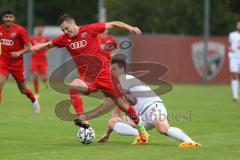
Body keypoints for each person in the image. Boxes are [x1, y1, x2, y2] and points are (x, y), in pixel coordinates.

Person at [30, 13, 149, 142]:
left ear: (73, 22)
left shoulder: (89, 29)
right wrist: (37, 47)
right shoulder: (65, 39)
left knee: (124, 107)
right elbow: (50, 44)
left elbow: (113, 24)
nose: (65, 31)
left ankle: (141, 130)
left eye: (66, 28)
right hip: (87, 79)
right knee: (74, 85)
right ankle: (83, 120)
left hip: (105, 75)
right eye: (62, 30)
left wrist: (130, 28)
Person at [97, 58, 201, 148]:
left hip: (153, 107)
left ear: (122, 69)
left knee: (162, 128)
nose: (110, 71)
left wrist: (116, 110)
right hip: (141, 118)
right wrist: (107, 134)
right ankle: (141, 134)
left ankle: (190, 142)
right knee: (112, 122)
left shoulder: (126, 79)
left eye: (113, 69)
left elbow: (120, 98)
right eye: (110, 69)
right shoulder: (119, 83)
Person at [0, 9, 40, 113]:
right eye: (6, 17)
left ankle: (34, 99)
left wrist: (19, 53)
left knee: (23, 90)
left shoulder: (20, 30)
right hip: (3, 63)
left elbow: (29, 47)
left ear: (13, 18)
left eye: (10, 17)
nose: (8, 19)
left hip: (17, 64)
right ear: (3, 18)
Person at [30, 24, 52, 96]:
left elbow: (51, 46)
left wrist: (48, 53)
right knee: (35, 75)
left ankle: (45, 82)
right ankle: (36, 92)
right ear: (36, 29)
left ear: (42, 30)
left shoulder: (46, 38)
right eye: (38, 28)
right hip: (35, 60)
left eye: (41, 28)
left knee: (44, 78)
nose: (39, 30)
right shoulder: (32, 39)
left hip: (43, 61)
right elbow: (29, 46)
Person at [228, 20, 240, 102]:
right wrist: (230, 50)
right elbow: (229, 44)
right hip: (234, 57)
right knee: (234, 74)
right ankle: (235, 96)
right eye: (239, 25)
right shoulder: (232, 35)